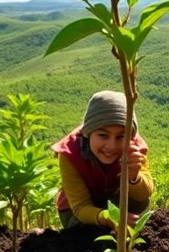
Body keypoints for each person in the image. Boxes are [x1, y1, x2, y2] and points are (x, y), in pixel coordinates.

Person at [50, 90, 154, 229]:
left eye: (120, 137)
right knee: (83, 232)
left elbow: (143, 196)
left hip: (114, 202)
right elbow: (80, 207)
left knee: (139, 204)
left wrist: (134, 177)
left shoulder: (134, 148)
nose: (111, 146)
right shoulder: (70, 153)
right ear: (88, 134)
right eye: (103, 135)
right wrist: (108, 217)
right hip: (77, 213)